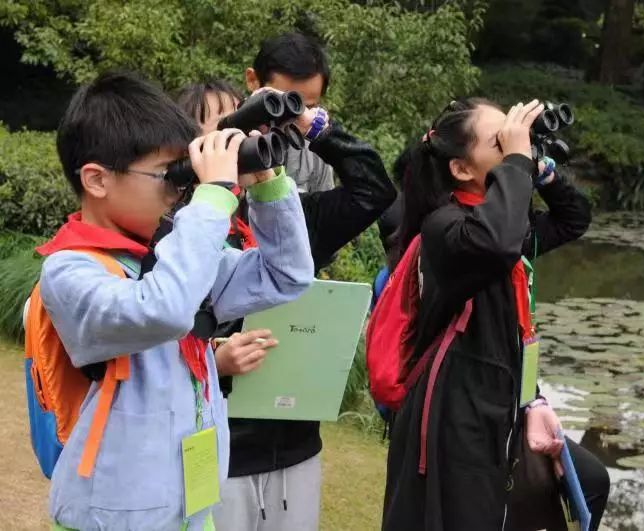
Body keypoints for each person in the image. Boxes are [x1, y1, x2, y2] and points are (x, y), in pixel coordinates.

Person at [40, 70, 314, 530]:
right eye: (168, 174)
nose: (179, 188)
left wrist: (266, 184)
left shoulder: (176, 257)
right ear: (97, 179)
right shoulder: (71, 271)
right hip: (112, 519)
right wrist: (213, 195)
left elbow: (287, 275)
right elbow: (163, 309)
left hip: (191, 509)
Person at [176, 74, 396, 530]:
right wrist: (213, 359)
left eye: (241, 122)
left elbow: (374, 190)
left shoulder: (288, 215)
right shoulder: (176, 227)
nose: (234, 138)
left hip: (294, 440)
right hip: (217, 444)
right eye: (218, 127)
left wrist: (312, 126)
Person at [381, 98, 607, 531]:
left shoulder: (502, 226)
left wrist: (541, 171)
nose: (514, 146)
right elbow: (496, 243)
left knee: (590, 480)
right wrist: (518, 162)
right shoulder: (447, 228)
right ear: (461, 169)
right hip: (453, 413)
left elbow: (573, 218)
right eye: (501, 142)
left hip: (497, 398)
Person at [246, 32, 334, 195]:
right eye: (283, 103)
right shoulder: (223, 139)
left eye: (307, 108)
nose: (295, 117)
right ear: (253, 80)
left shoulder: (314, 149)